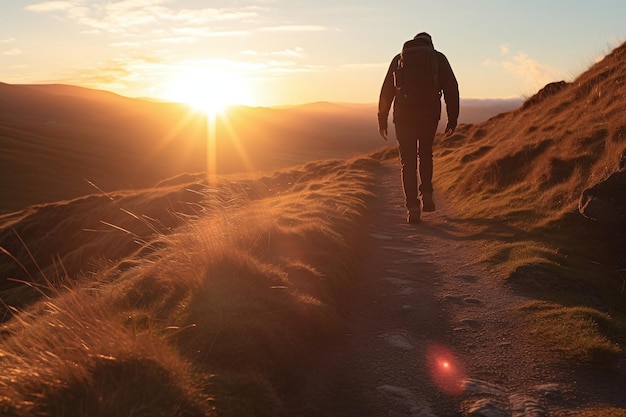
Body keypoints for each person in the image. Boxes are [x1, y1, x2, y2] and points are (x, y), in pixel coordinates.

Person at [378, 32, 459, 224]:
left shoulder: (400, 58)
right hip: (429, 114)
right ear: (430, 44)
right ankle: (427, 194)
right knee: (425, 153)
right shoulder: (438, 58)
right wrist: (452, 119)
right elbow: (451, 88)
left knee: (408, 161)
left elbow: (386, 90)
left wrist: (382, 120)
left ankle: (412, 208)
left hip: (403, 115)